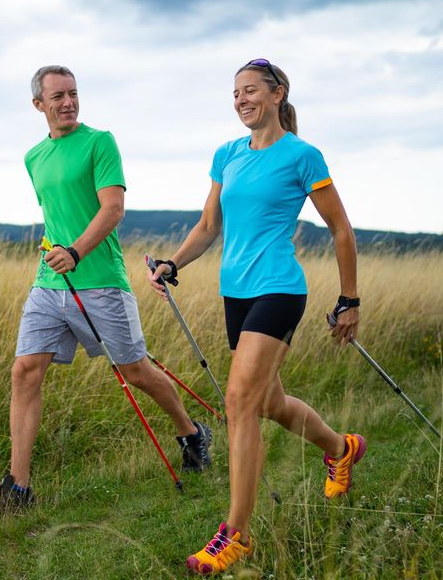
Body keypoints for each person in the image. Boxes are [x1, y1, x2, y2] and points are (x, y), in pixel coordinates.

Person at [148, 59, 364, 575]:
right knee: (267, 401)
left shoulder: (302, 156)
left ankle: (236, 535)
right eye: (235, 93)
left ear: (277, 93)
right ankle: (341, 448)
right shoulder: (227, 155)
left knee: (239, 400)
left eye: (250, 91)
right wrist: (173, 262)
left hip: (279, 289)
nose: (241, 99)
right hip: (236, 294)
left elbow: (341, 230)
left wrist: (350, 300)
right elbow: (207, 225)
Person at [0, 65, 213, 513]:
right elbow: (56, 215)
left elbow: (113, 208)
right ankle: (18, 489)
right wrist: (56, 250)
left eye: (73, 93)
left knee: (136, 372)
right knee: (24, 370)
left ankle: (191, 434)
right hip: (50, 283)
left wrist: (77, 250)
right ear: (38, 105)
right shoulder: (33, 157)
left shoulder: (100, 142)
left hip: (100, 281)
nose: (68, 102)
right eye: (58, 96)